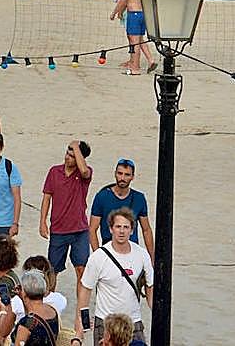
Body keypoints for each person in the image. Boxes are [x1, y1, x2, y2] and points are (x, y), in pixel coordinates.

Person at [76, 209, 153, 346]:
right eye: (118, 227)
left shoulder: (142, 255)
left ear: (132, 230)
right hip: (106, 324)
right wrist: (82, 326)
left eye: (126, 227)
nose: (122, 231)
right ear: (111, 229)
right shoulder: (98, 257)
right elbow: (85, 291)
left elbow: (150, 287)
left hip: (133, 323)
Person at [40, 140, 93, 283]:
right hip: (58, 229)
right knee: (52, 271)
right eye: (67, 153)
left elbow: (84, 171)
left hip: (79, 230)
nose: (67, 157)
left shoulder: (85, 174)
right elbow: (46, 197)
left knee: (81, 269)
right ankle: (49, 301)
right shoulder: (54, 171)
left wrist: (76, 146)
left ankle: (81, 306)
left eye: (73, 155)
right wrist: (42, 222)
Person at [89, 159, 153, 253]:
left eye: (127, 175)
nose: (122, 178)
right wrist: (98, 255)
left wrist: (151, 259)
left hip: (132, 249)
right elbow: (92, 229)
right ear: (115, 174)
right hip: (109, 248)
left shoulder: (139, 198)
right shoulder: (102, 197)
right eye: (120, 173)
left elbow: (146, 230)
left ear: (132, 177)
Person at [109, 0, 154, 75]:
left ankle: (135, 68)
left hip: (133, 14)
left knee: (135, 43)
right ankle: (145, 61)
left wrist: (115, 12)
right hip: (143, 14)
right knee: (138, 40)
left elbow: (123, 1)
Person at [6, 268, 61, 346]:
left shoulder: (25, 325)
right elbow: (32, 315)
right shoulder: (51, 310)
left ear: (24, 292)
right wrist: (23, 298)